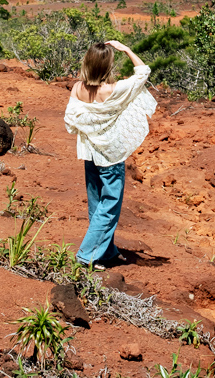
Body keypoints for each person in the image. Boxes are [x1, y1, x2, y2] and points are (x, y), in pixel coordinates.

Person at [63, 39, 156, 268]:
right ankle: (87, 255)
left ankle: (105, 252)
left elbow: (71, 118)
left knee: (97, 204)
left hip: (90, 153)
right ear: (107, 66)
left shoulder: (77, 88)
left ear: (87, 63)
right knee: (110, 204)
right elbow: (143, 71)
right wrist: (126, 48)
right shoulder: (114, 90)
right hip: (111, 156)